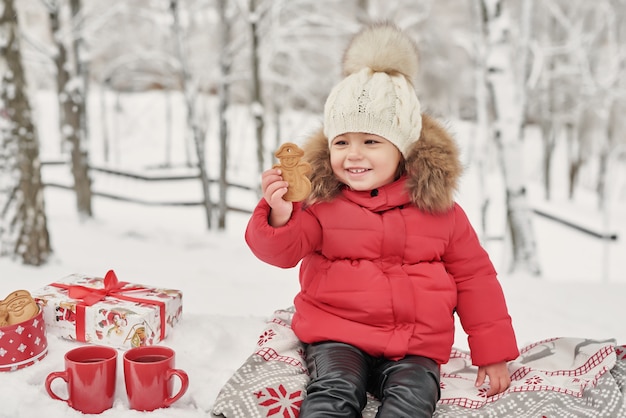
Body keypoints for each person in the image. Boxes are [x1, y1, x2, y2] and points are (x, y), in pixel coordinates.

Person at [245, 22, 519, 418]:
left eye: (371, 141)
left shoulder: (442, 213)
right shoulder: (322, 203)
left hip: (415, 346)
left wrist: (492, 353)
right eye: (342, 142)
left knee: (411, 402)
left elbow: (475, 279)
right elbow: (282, 252)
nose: (353, 155)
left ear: (403, 149)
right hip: (336, 334)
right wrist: (281, 214)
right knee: (333, 392)